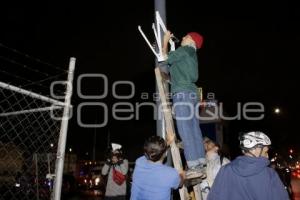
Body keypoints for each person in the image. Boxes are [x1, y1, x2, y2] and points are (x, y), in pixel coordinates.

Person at [162, 30, 206, 176]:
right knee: (194, 128)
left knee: (185, 129)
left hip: (182, 93)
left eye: (186, 36)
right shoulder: (191, 54)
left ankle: (193, 165)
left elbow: (165, 58)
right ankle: (200, 162)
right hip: (192, 94)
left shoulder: (185, 50)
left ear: (192, 41)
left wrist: (165, 39)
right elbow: (173, 64)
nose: (182, 37)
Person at [207, 131, 290, 200]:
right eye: (265, 151)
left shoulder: (226, 170)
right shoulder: (269, 174)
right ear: (255, 150)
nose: (267, 156)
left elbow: (214, 197)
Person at [130, 135, 185, 200]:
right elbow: (180, 184)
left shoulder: (139, 162)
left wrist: (168, 142)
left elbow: (151, 152)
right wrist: (182, 174)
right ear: (165, 154)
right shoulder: (170, 173)